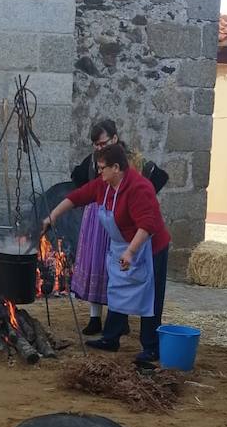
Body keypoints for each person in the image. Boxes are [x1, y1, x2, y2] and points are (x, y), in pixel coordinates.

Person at [43, 142, 171, 369]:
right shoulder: (104, 186)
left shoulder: (139, 188)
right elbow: (77, 197)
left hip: (148, 247)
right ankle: (111, 338)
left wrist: (131, 252)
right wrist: (52, 216)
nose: (99, 172)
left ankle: (151, 347)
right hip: (122, 246)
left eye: (102, 168)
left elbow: (147, 225)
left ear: (116, 168)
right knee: (117, 290)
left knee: (150, 298)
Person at [69, 119, 169, 335]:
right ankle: (103, 326)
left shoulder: (131, 164)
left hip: (131, 228)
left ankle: (140, 337)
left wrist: (140, 202)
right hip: (104, 222)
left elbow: (157, 181)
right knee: (105, 271)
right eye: (95, 145)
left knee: (135, 280)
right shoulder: (95, 162)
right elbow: (79, 186)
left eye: (102, 143)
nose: (98, 149)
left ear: (114, 139)